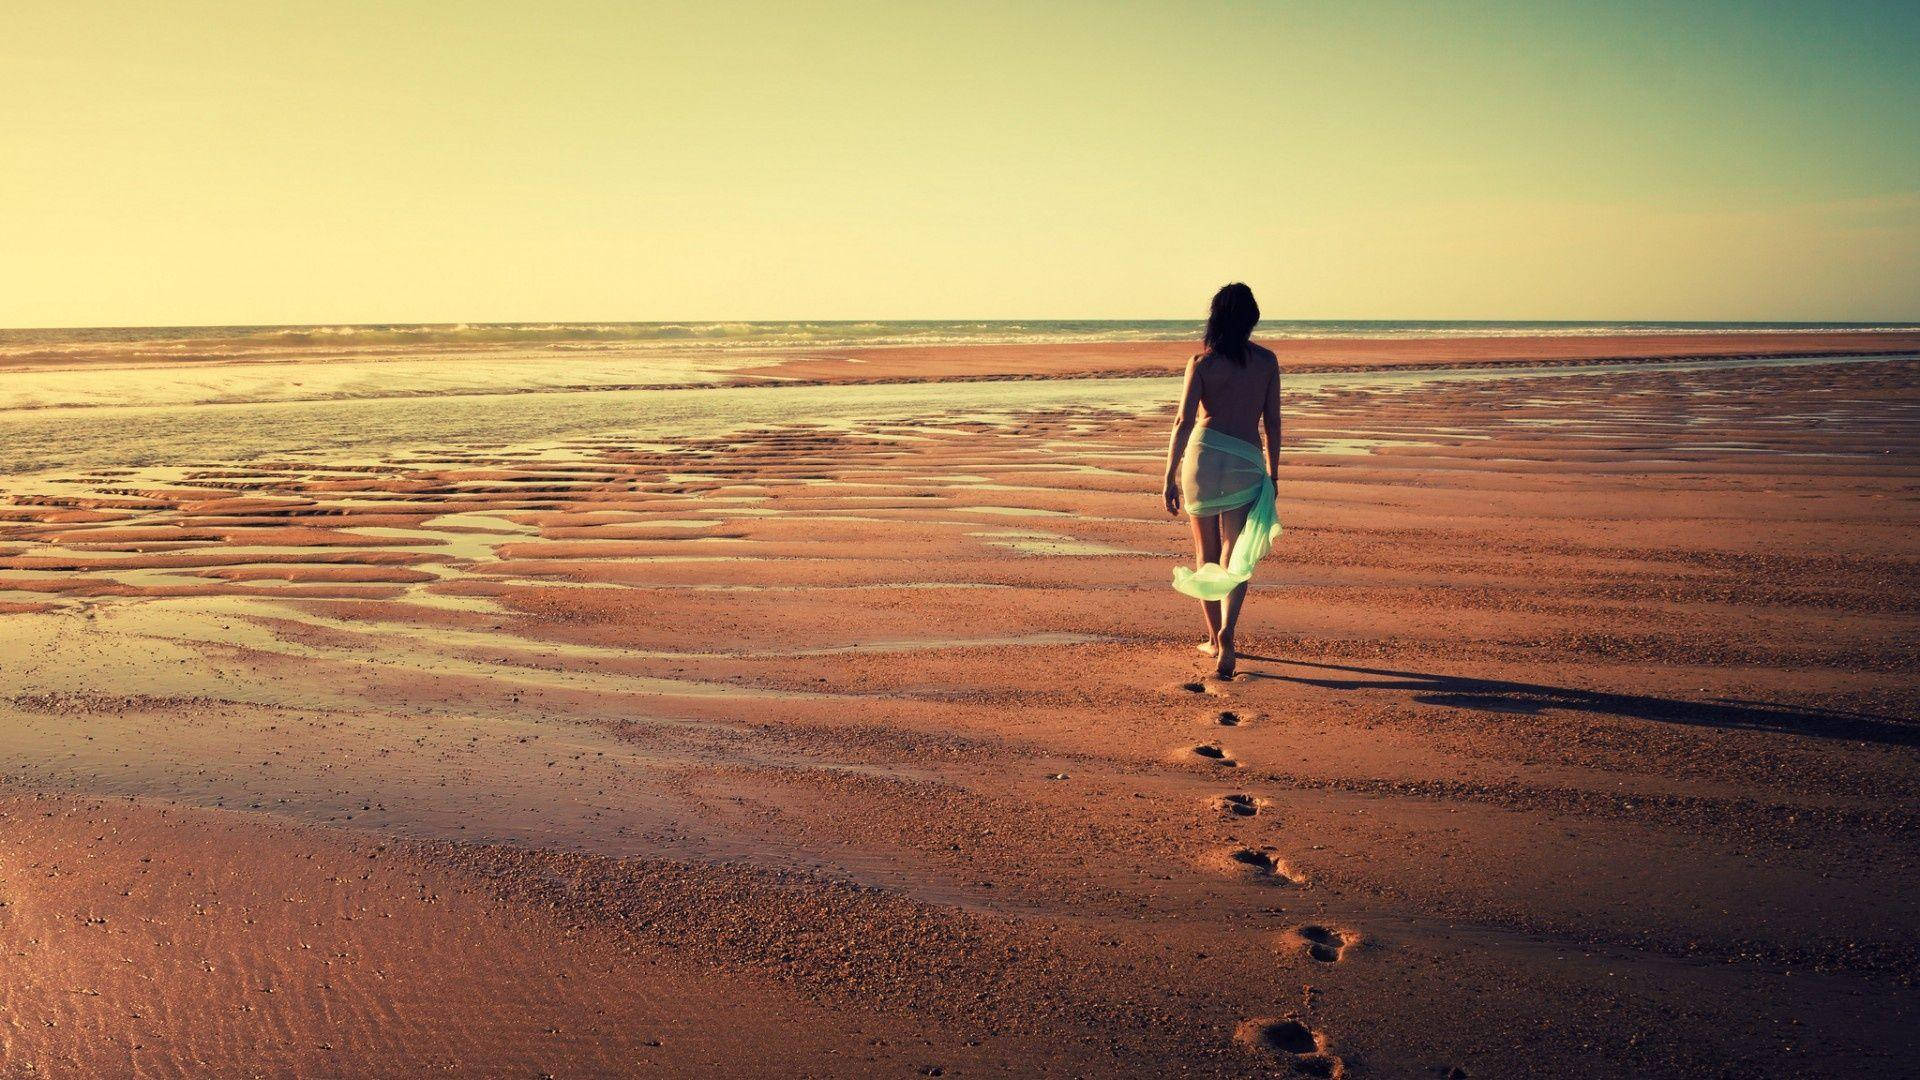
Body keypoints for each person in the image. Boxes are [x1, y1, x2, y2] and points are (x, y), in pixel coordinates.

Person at [1161, 282, 1282, 678]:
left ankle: (1215, 640)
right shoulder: (1266, 362)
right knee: (1236, 554)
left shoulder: (1202, 363)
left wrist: (1168, 475)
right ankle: (1229, 632)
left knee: (1206, 555)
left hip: (1204, 458)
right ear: (1251, 319)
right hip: (1245, 459)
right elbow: (1273, 423)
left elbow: (1182, 421)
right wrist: (1273, 471)